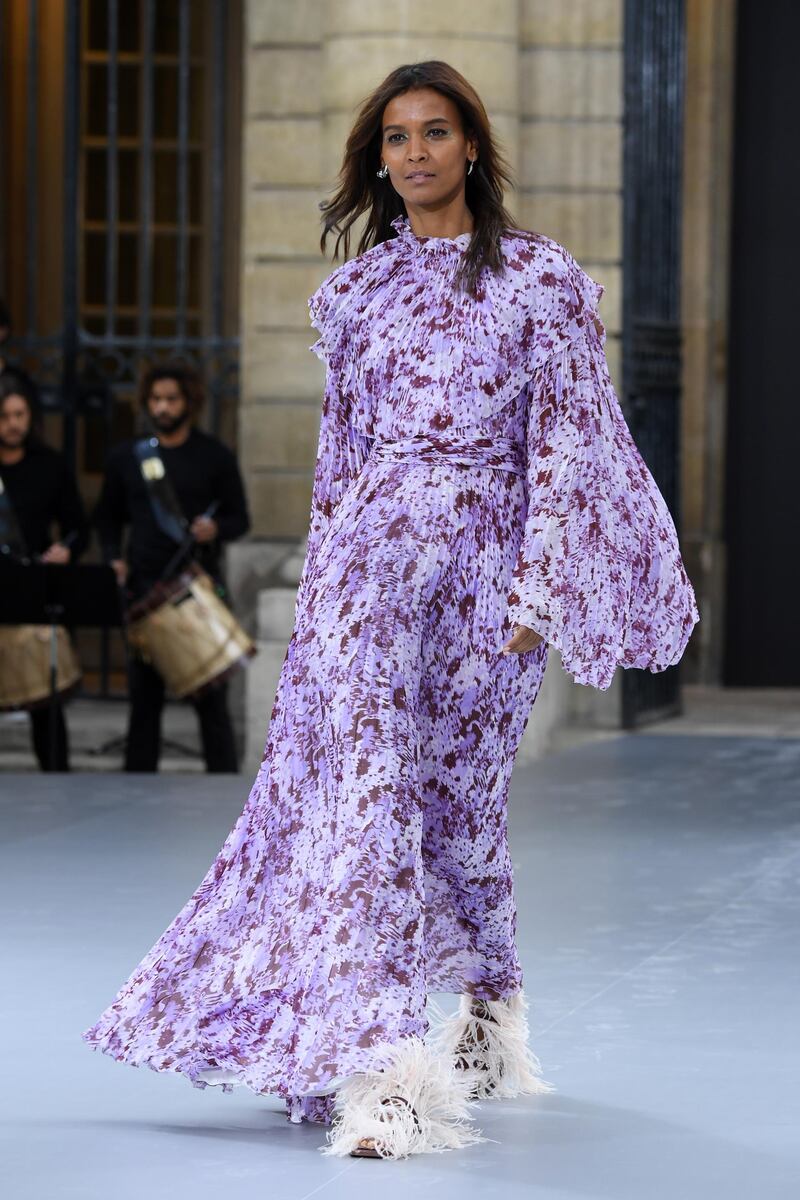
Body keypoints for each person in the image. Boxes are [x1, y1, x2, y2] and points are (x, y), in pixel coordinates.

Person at [82, 62, 700, 1158]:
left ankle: (487, 1012)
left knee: (458, 814)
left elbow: (563, 444)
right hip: (364, 587)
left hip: (482, 587)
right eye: (396, 138)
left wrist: (538, 590)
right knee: (362, 816)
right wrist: (318, 592)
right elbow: (339, 462)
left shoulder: (540, 285)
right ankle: (384, 1073)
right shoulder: (355, 297)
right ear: (378, 159)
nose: (414, 153)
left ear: (472, 148)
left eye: (436, 132)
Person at [93, 363, 250, 773]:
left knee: (211, 702)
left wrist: (214, 528)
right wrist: (114, 557)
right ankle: (136, 790)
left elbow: (240, 518)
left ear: (190, 403)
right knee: (144, 702)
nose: (162, 408)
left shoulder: (214, 456)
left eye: (171, 400)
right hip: (145, 590)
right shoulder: (127, 458)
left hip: (195, 588)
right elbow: (106, 517)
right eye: (156, 400)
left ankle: (223, 790)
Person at [0, 371, 88, 769]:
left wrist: (65, 551)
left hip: (33, 593)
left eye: (19, 414)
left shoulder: (49, 466)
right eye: (3, 416)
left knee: (46, 709)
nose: (12, 423)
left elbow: (78, 528)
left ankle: (58, 781)